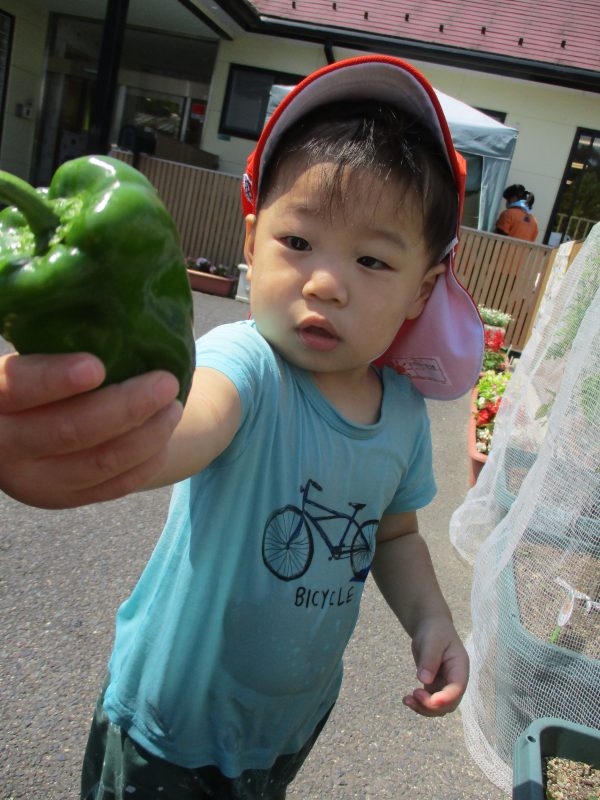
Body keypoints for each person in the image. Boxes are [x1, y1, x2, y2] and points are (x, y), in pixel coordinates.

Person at [0, 55, 484, 799]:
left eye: (371, 259)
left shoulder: (403, 415)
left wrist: (432, 621)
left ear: (421, 290)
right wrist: (109, 444)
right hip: (170, 730)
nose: (325, 282)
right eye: (298, 243)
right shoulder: (248, 364)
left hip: (284, 725)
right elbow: (187, 421)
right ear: (252, 240)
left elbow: (393, 536)